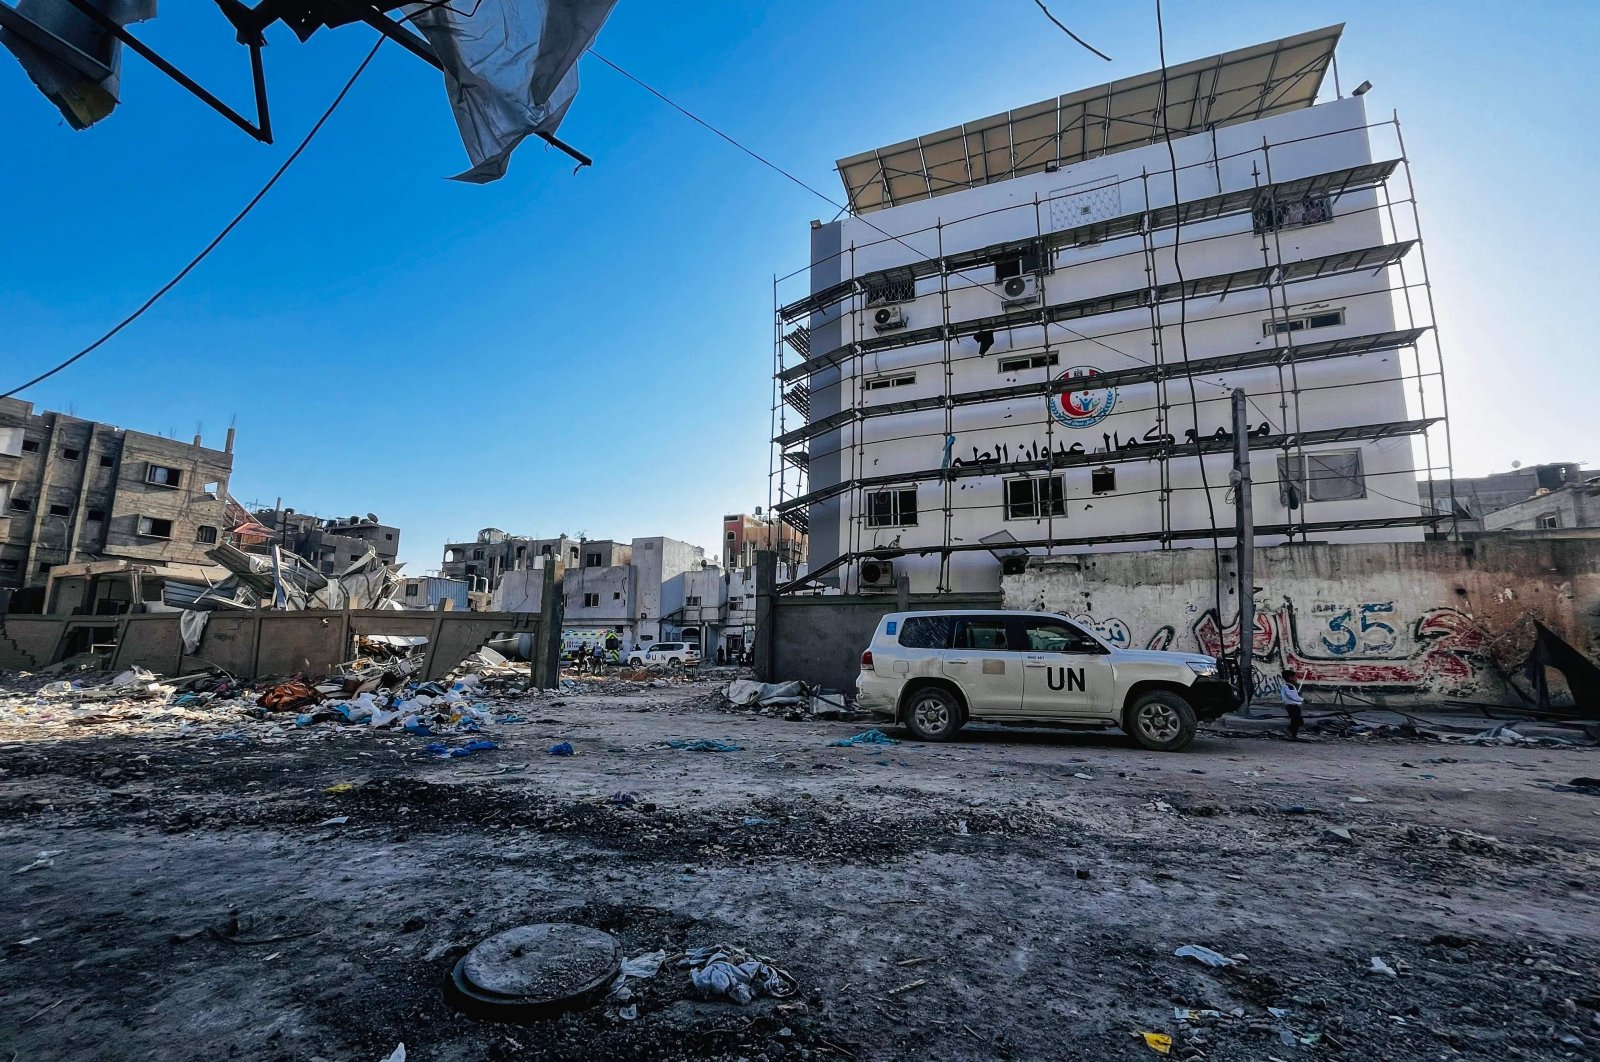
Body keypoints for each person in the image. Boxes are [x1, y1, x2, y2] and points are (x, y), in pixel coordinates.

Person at [1280, 668, 1305, 739]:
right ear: (1290, 678)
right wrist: (1304, 700)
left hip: (1293, 706)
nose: (1296, 679)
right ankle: (1290, 732)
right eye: (1295, 677)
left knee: (1297, 721)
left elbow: (1294, 696)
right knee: (1296, 721)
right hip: (1292, 706)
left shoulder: (1289, 686)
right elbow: (1294, 697)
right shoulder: (1289, 686)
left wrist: (1298, 694)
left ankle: (1293, 734)